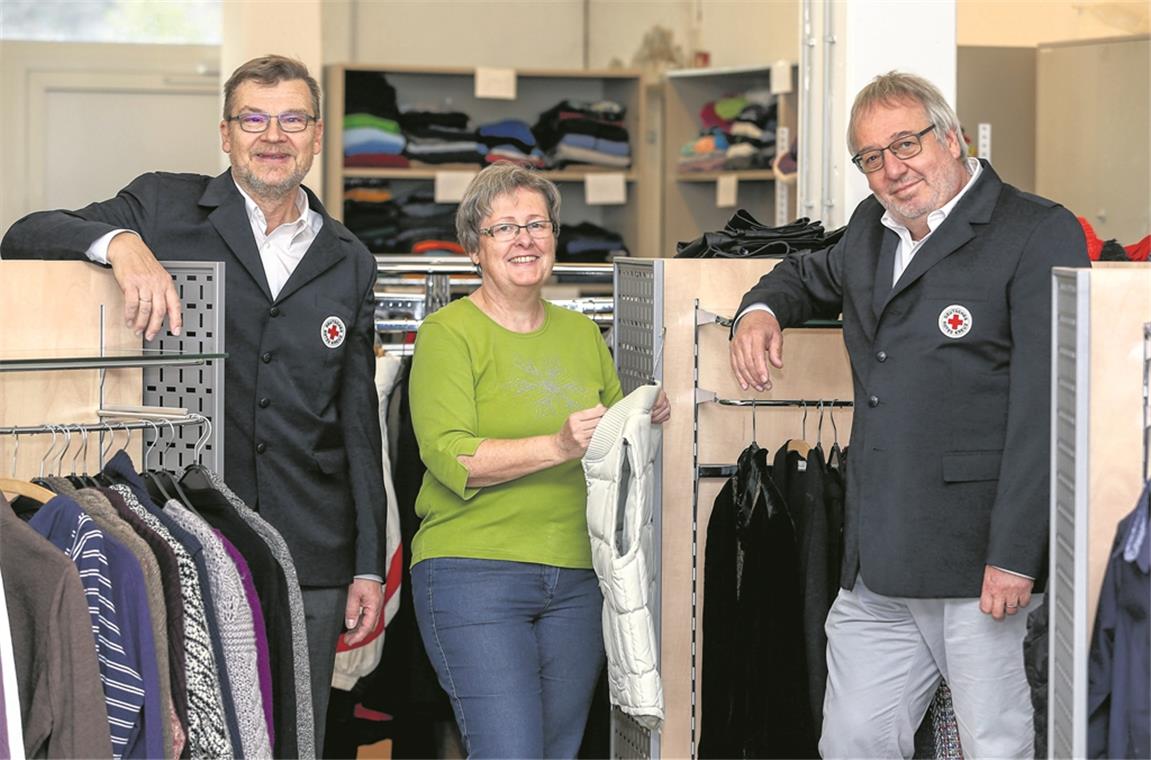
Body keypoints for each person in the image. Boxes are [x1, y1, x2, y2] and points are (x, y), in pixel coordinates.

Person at [1, 54, 386, 755]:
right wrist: (120, 244)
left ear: (317, 135)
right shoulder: (163, 207)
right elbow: (25, 232)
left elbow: (359, 426)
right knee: (199, 732)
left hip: (312, 550)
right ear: (225, 133)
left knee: (299, 737)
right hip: (192, 538)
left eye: (292, 119)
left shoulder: (350, 257)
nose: (273, 135)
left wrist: (366, 565)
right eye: (254, 119)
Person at [729, 71, 1089, 758]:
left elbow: (1048, 408)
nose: (892, 170)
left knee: (996, 746)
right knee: (851, 741)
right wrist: (760, 310)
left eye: (905, 144)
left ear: (951, 138)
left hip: (980, 564)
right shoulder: (873, 229)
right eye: (871, 157)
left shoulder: (1035, 231)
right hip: (878, 561)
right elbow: (804, 274)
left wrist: (1017, 556)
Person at [407, 162, 669, 758]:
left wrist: (642, 417)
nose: (524, 239)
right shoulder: (448, 334)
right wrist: (558, 445)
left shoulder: (582, 334)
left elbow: (610, 447)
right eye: (503, 228)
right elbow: (453, 455)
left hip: (578, 577)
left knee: (556, 751)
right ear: (474, 248)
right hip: (474, 573)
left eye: (537, 224)